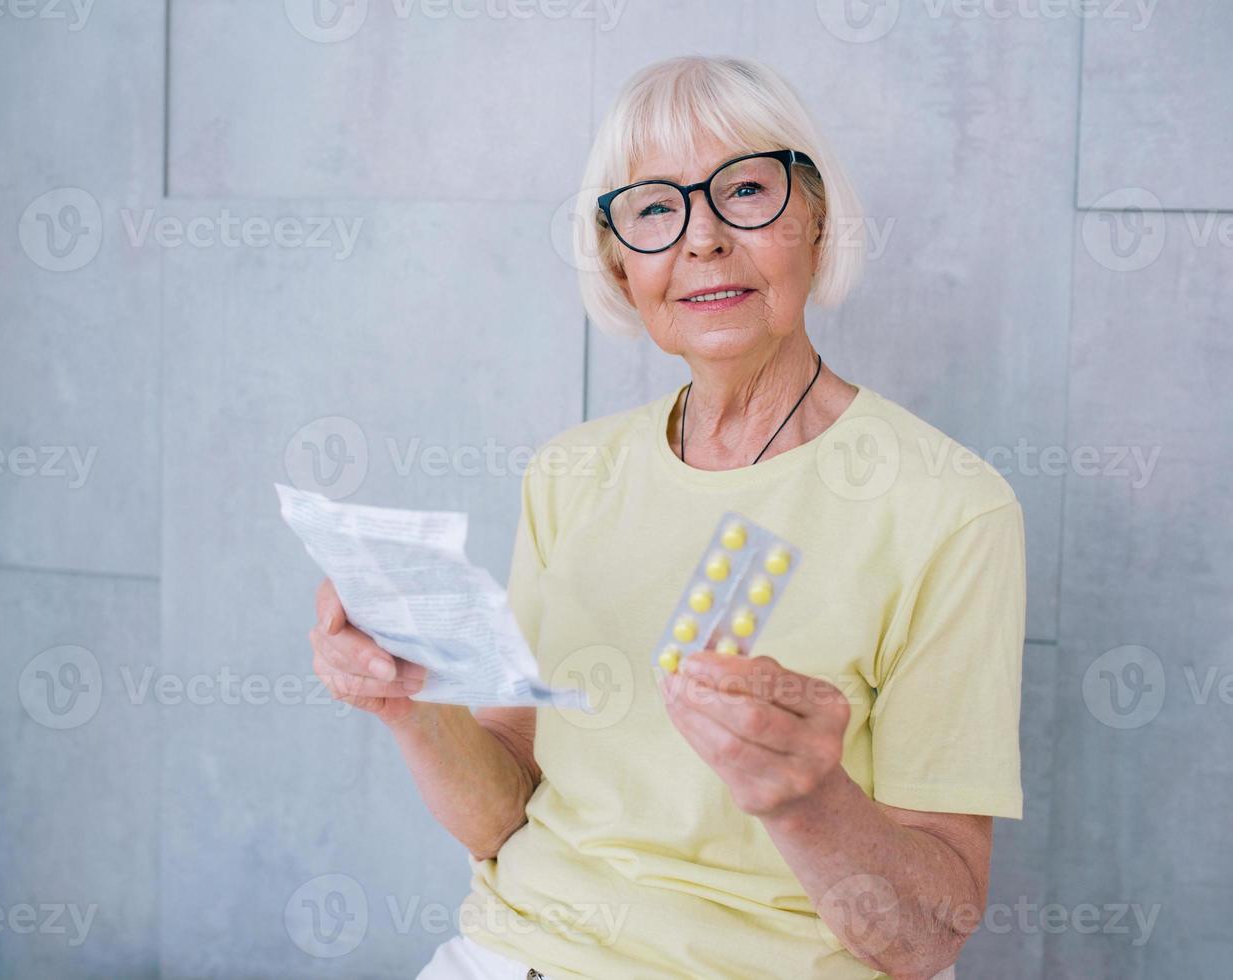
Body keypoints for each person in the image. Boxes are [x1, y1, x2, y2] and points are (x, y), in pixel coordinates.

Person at [309, 55, 1024, 979]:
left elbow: (929, 935)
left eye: (747, 190)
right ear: (617, 257)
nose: (704, 239)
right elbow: (502, 813)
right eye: (654, 208)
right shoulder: (570, 473)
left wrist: (806, 795)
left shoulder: (950, 509)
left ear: (815, 218)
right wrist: (409, 706)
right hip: (509, 956)